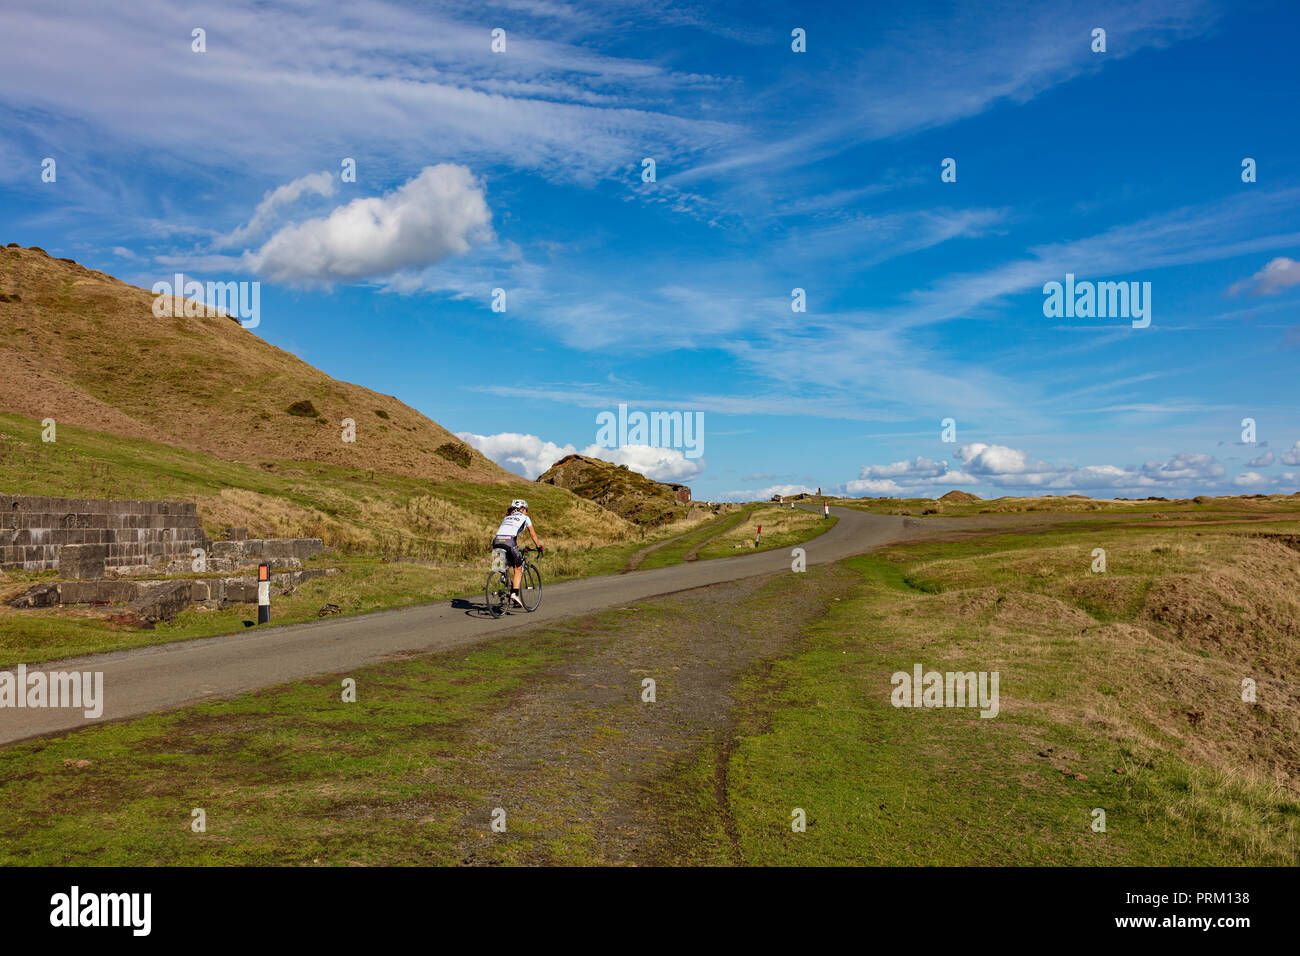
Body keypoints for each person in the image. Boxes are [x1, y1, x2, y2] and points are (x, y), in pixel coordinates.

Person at [492, 499, 543, 606]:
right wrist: (538, 547)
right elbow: (532, 534)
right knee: (518, 568)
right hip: (509, 541)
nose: (527, 512)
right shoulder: (525, 518)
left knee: (507, 562)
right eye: (526, 510)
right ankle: (515, 593)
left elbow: (507, 531)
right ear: (522, 509)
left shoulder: (507, 517)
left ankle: (503, 574)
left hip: (496, 541)